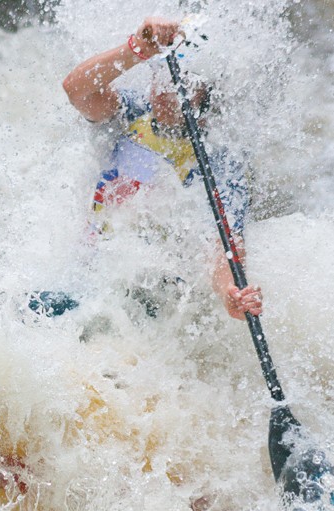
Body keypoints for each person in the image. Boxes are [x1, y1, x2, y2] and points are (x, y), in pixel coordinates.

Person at [61, 17, 262, 320]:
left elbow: (223, 248)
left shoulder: (220, 165)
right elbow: (76, 90)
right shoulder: (128, 114)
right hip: (86, 284)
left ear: (207, 95)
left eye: (184, 82)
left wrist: (231, 293)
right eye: (163, 76)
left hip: (155, 304)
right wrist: (137, 49)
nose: (167, 90)